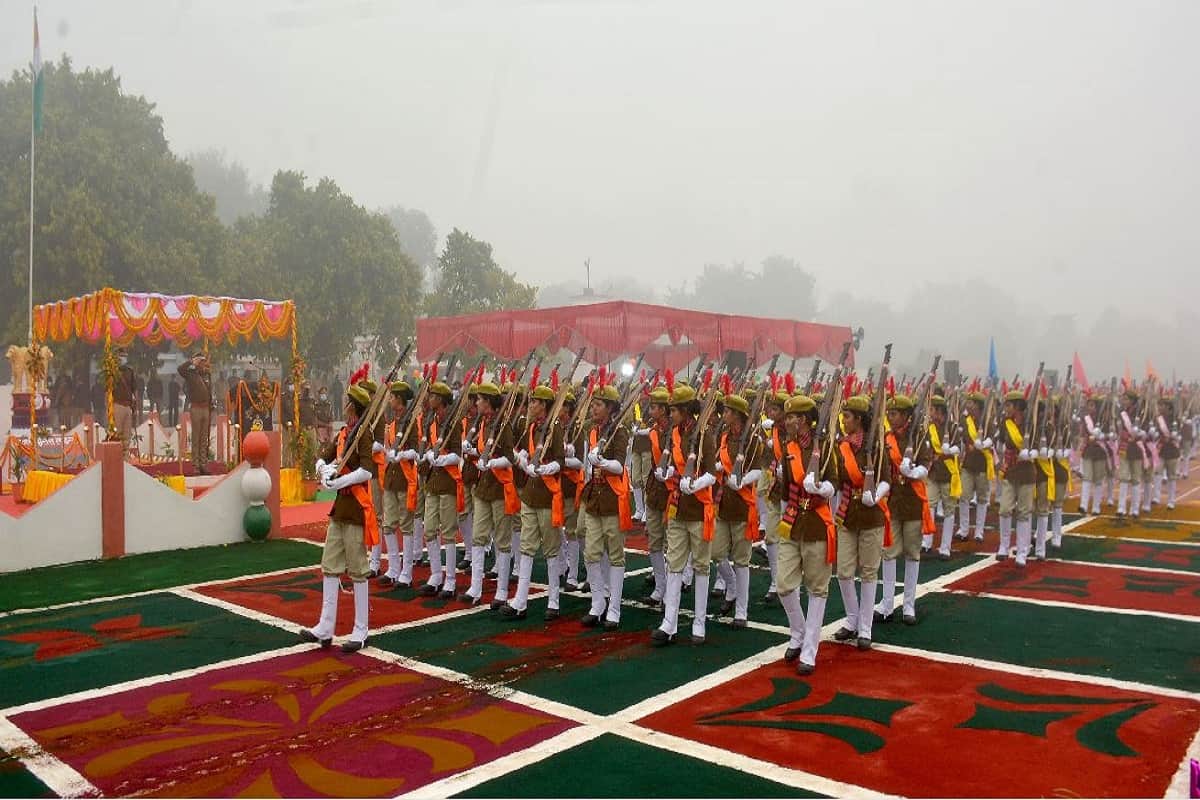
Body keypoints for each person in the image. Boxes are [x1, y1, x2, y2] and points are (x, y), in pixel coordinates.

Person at [299, 381, 379, 653]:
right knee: (330, 566)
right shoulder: (346, 433)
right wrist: (325, 472)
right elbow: (322, 457)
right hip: (339, 509)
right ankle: (325, 626)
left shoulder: (364, 435)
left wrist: (342, 480)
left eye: (347, 404)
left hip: (356, 509)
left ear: (353, 408)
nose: (344, 408)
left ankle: (361, 630)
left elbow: (369, 471)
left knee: (358, 570)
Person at [652, 382, 718, 646]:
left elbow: (712, 473)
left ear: (686, 411)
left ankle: (699, 621)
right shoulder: (675, 434)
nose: (671, 415)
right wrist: (668, 474)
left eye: (675, 410)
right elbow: (676, 466)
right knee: (675, 562)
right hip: (679, 505)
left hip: (700, 506)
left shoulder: (705, 435)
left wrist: (696, 483)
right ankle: (670, 622)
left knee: (701, 566)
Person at [776, 394, 838, 675]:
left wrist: (821, 488)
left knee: (817, 588)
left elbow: (835, 483)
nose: (787, 421)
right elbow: (786, 488)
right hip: (792, 522)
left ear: (803, 420)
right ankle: (798, 631)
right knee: (784, 584)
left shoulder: (824, 446)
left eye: (791, 417)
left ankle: (810, 650)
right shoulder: (788, 449)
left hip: (816, 522)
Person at [832, 394, 892, 650]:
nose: (843, 421)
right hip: (847, 513)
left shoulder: (876, 447)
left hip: (871, 514)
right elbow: (835, 478)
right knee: (844, 571)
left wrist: (875, 495)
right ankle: (853, 618)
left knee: (868, 571)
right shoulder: (841, 447)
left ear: (859, 419)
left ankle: (865, 627)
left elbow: (887, 479)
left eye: (847, 416)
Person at [510, 383, 566, 620]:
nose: (531, 405)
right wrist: (521, 461)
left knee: (551, 549)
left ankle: (554, 600)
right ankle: (520, 600)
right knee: (526, 546)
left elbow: (561, 461)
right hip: (530, 494)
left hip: (547, 495)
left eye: (534, 401)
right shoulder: (530, 427)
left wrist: (544, 468)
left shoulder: (554, 428)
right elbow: (522, 451)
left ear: (544, 405)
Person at [579, 381, 632, 630]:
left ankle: (615, 609)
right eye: (593, 404)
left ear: (610, 408)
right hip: (594, 498)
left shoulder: (619, 432)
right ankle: (598, 603)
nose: (594, 409)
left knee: (616, 555)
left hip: (612, 497)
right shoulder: (592, 429)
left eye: (598, 405)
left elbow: (620, 466)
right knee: (591, 554)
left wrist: (602, 461)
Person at [876, 394, 932, 626]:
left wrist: (913, 471)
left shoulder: (918, 437)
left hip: (912, 501)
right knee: (889, 551)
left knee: (912, 552)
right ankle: (887, 603)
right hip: (893, 501)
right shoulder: (886, 438)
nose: (891, 417)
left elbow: (927, 465)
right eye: (889, 413)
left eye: (895, 413)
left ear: (907, 416)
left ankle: (909, 603)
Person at [380, 381, 418, 588]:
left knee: (406, 526)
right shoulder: (393, 422)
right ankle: (393, 568)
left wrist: (401, 454)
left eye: (393, 397)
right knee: (388, 525)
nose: (390, 399)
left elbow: (416, 450)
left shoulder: (411, 421)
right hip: (392, 479)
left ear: (400, 400)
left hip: (405, 478)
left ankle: (407, 571)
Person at [178, 352, 214, 474]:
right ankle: (196, 465)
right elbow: (180, 369)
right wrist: (191, 362)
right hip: (196, 408)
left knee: (204, 438)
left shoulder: (207, 374)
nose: (203, 363)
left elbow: (209, 391)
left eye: (203, 361)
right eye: (201, 361)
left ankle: (203, 464)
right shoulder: (190, 374)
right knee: (196, 437)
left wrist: (210, 405)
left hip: (206, 408)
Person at [111, 348, 137, 455]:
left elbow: (134, 388)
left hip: (128, 406)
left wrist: (135, 405)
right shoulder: (112, 371)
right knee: (118, 433)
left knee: (127, 434)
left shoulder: (129, 371)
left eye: (125, 356)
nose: (123, 358)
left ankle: (125, 457)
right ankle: (116, 457)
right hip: (117, 405)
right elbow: (108, 390)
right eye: (121, 356)